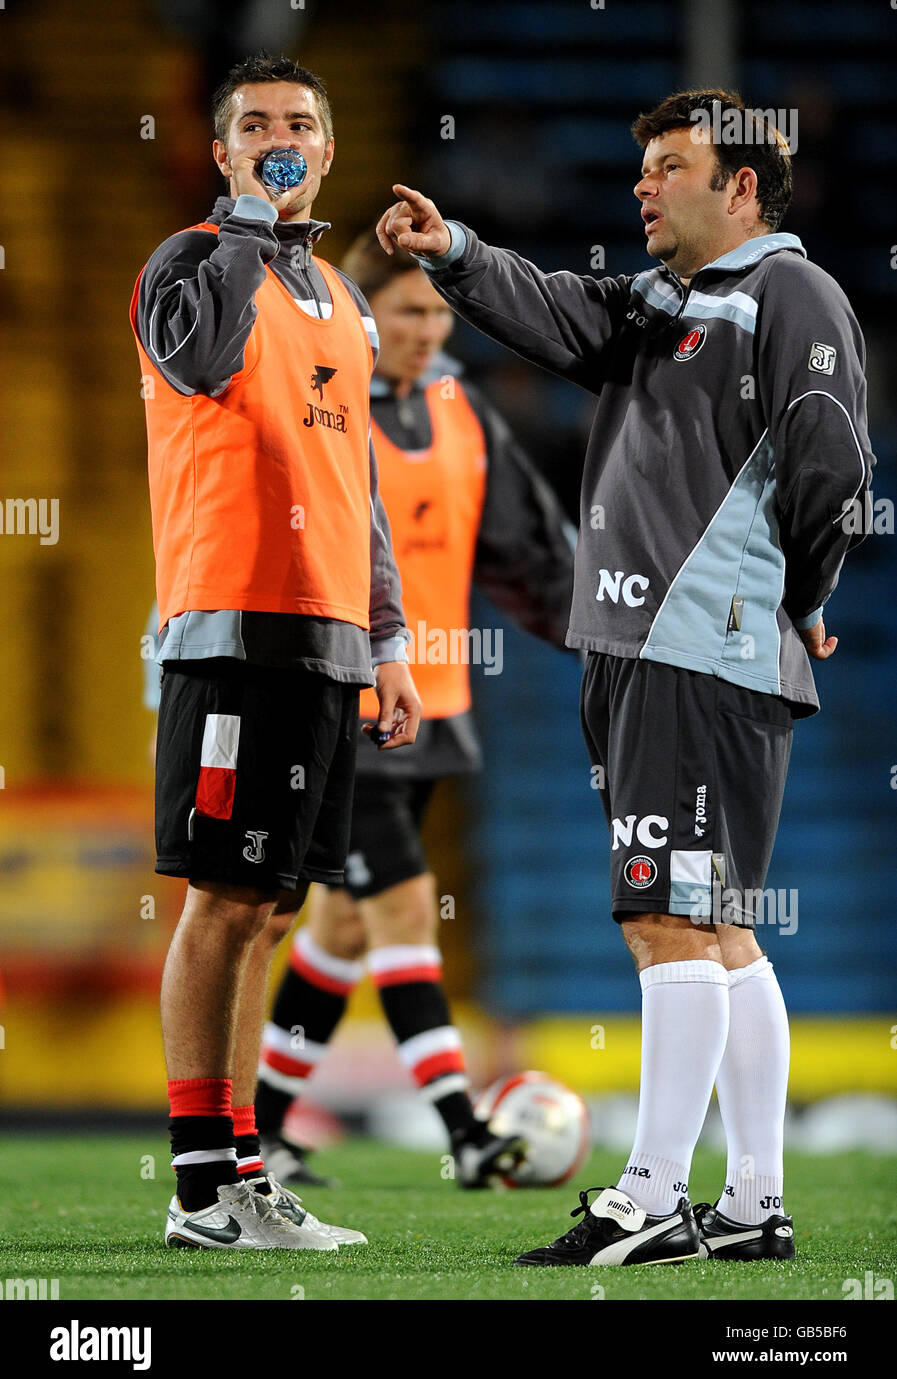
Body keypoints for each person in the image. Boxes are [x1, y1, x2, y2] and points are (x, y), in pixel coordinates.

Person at [377, 88, 874, 1266]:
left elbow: (831, 472)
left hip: (697, 648)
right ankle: (753, 1202)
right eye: (641, 164)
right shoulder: (662, 304)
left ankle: (652, 1191)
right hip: (642, 650)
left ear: (741, 185)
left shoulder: (788, 298)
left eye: (670, 165)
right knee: (723, 931)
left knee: (667, 917)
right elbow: (554, 311)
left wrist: (797, 599)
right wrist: (454, 250)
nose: (642, 184)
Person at [130, 52, 421, 1251]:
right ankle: (203, 1187)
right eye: (255, 125)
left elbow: (357, 483)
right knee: (222, 896)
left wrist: (391, 636)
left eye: (299, 123)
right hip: (231, 620)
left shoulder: (347, 303)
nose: (280, 136)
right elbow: (196, 363)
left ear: (333, 148)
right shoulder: (189, 262)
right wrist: (247, 219)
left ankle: (243, 1169)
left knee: (266, 909)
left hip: (329, 635)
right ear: (222, 150)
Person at [253, 229, 576, 1189]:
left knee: (344, 932)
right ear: (362, 312)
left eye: (440, 310)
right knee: (398, 912)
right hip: (346, 707)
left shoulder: (462, 410)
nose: (429, 328)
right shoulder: (322, 405)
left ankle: (263, 1131)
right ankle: (465, 1132)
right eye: (407, 310)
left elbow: (533, 550)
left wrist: (608, 635)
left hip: (437, 707)